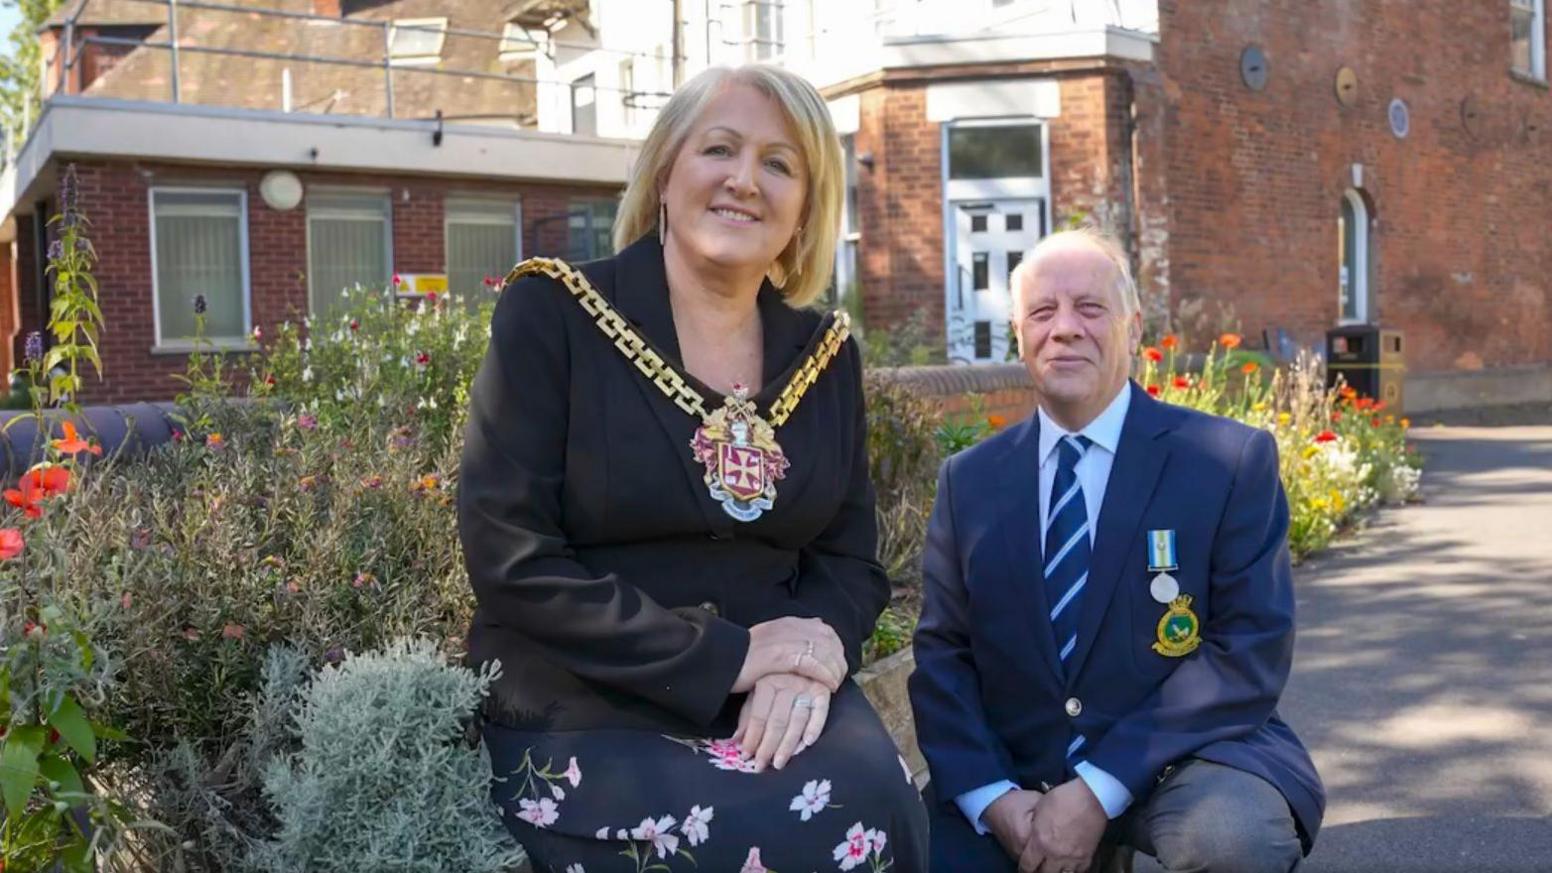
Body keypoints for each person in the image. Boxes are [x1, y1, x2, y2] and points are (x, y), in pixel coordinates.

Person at [458, 64, 928, 872]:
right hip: (588, 690)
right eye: (721, 148)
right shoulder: (555, 312)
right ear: (666, 173)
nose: (746, 180)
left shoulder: (826, 355)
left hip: (777, 692)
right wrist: (730, 656)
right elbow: (512, 557)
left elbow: (850, 562)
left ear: (804, 211)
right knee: (745, 835)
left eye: (781, 164)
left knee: (878, 807)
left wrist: (812, 656)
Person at [908, 229, 1324, 873]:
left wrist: (1099, 789)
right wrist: (993, 799)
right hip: (1019, 774)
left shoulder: (1227, 461)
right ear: (1019, 332)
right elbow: (944, 655)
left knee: (1234, 842)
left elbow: (1249, 647)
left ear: (1132, 327)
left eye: (1090, 308)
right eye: (1043, 312)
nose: (1065, 328)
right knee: (897, 851)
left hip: (1180, 761)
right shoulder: (970, 481)